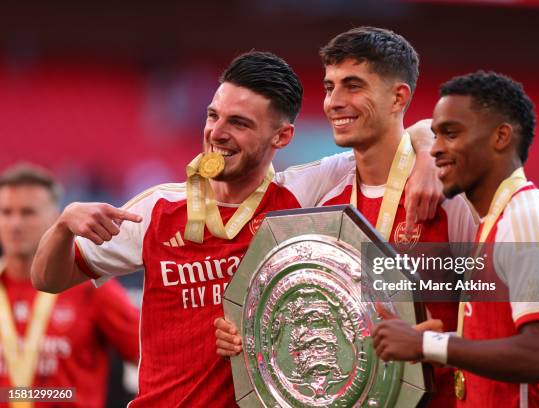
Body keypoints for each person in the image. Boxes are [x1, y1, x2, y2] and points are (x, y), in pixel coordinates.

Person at [31, 51, 439, 407]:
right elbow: (47, 279)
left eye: (239, 123)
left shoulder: (300, 193)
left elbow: (395, 135)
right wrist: (64, 226)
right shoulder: (156, 209)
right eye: (213, 115)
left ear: (282, 136)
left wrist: (426, 154)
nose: (217, 133)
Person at [214, 26, 478, 407]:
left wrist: (431, 346)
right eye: (329, 87)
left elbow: (498, 325)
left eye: (353, 86)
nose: (334, 101)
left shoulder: (447, 198)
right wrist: (244, 332)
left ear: (397, 97)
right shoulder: (323, 202)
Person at [372, 71, 539, 407]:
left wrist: (429, 345)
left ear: (501, 137)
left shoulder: (527, 220)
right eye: (435, 136)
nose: (435, 149)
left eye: (451, 134)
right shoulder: (497, 222)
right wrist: (447, 343)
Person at [0, 164, 139, 408]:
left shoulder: (89, 287)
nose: (15, 224)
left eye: (27, 212)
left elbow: (149, 353)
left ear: (55, 219)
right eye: (6, 212)